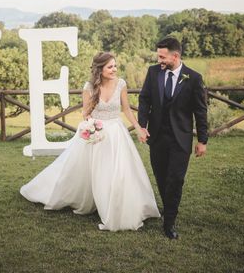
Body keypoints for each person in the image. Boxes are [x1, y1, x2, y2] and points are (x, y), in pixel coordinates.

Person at [20, 52, 160, 231]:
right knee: (93, 170)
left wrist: (139, 127)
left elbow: (126, 109)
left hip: (116, 133)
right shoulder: (89, 87)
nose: (114, 69)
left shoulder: (121, 84)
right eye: (110, 67)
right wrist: (91, 127)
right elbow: (86, 113)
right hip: (97, 132)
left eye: (115, 66)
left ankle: (119, 205)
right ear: (100, 70)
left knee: (119, 170)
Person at [138, 37, 208, 240]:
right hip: (157, 137)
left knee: (175, 180)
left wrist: (202, 140)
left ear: (175, 56)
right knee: (161, 178)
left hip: (181, 139)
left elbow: (200, 111)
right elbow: (145, 100)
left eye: (162, 56)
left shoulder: (193, 78)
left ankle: (169, 222)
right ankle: (169, 210)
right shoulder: (153, 72)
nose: (159, 59)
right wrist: (142, 126)